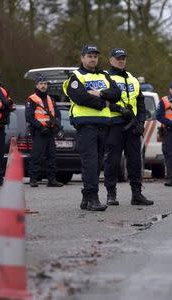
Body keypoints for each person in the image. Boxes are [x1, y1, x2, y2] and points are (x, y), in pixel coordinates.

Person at [63, 44, 121, 211]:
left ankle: (86, 197)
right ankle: (93, 197)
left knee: (97, 162)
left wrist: (100, 93)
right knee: (90, 162)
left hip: (103, 124)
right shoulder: (75, 76)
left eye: (95, 56)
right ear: (82, 58)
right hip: (86, 123)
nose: (93, 58)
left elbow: (116, 93)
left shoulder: (104, 75)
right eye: (89, 56)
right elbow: (80, 97)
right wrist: (103, 102)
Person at [104, 48, 153, 206]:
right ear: (111, 60)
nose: (121, 61)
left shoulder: (133, 79)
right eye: (118, 58)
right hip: (114, 125)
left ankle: (136, 194)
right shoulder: (106, 78)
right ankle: (111, 194)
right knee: (113, 160)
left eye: (123, 58)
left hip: (132, 126)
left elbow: (140, 102)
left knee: (135, 161)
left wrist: (141, 123)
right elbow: (102, 102)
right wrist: (119, 110)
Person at [25, 74, 64, 188]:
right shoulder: (31, 99)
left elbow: (57, 114)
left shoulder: (50, 99)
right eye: (41, 84)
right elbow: (29, 117)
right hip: (39, 132)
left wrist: (57, 125)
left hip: (50, 131)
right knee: (36, 156)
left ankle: (52, 180)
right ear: (36, 85)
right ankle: (33, 179)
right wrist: (41, 127)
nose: (43, 86)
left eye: (45, 84)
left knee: (52, 156)